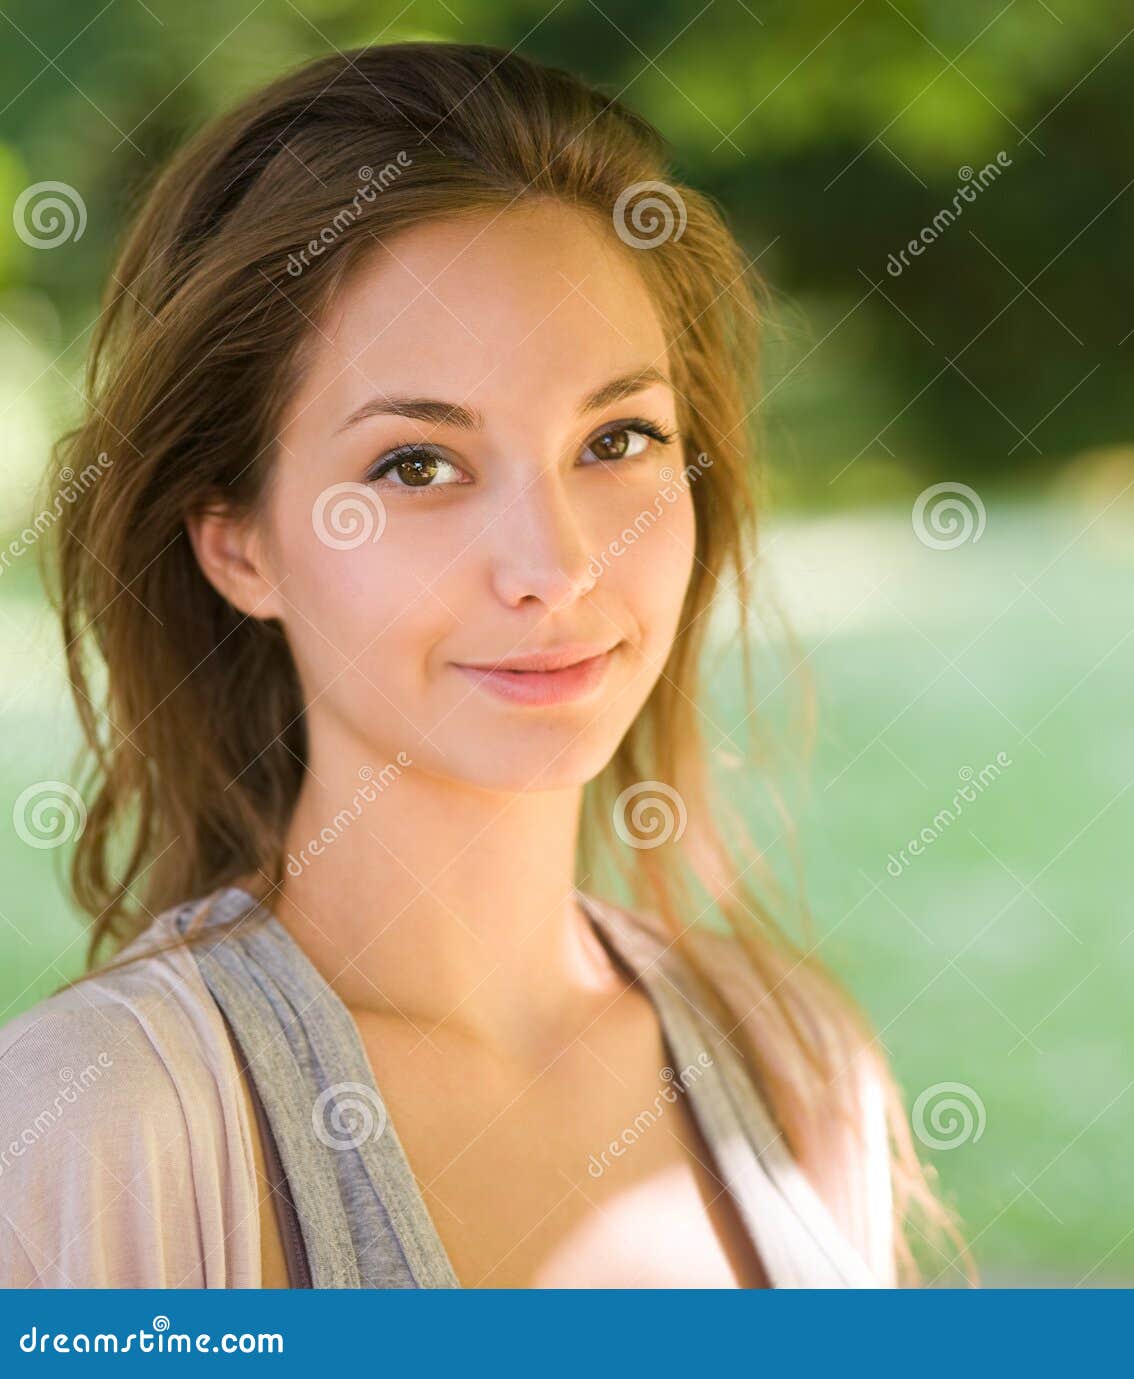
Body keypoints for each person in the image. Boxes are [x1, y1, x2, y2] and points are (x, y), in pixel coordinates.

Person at [0, 41, 969, 1289]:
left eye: (616, 438)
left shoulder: (795, 1062)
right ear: (238, 545)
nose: (554, 567)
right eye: (416, 463)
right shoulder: (94, 1125)